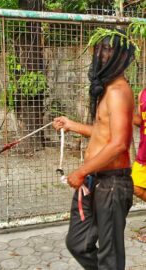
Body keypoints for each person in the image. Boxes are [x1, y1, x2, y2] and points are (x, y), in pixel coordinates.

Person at [53, 28, 135, 270]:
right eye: (101, 48)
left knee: (110, 256)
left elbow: (119, 144)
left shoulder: (119, 91)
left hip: (112, 185)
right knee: (78, 243)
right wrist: (72, 125)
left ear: (123, 57)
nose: (102, 54)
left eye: (109, 49)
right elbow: (102, 132)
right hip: (95, 181)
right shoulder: (107, 90)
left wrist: (80, 171)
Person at [132, 89, 146, 201]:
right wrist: (125, 111)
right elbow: (141, 121)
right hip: (143, 153)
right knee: (134, 186)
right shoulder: (142, 94)